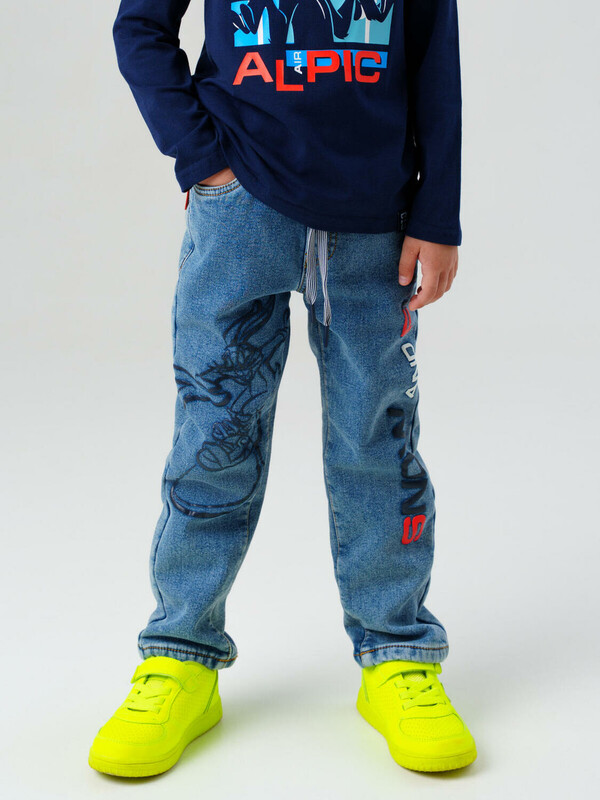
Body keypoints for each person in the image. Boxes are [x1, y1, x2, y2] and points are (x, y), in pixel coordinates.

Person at [89, 0, 477, 778]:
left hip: (376, 223)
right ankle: (180, 654)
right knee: (215, 436)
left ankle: (397, 652)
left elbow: (435, 59)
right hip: (239, 216)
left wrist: (438, 213)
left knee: (378, 441)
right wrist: (201, 158)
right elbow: (140, 28)